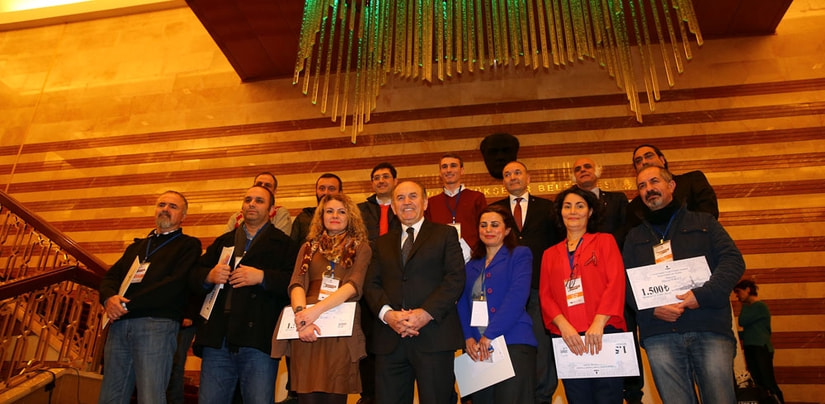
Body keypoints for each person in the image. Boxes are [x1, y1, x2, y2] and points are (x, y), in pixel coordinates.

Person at [623, 166, 745, 404]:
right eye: (642, 186)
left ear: (671, 186)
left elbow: (733, 261)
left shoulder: (705, 222)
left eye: (654, 181)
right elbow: (625, 282)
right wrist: (650, 308)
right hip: (659, 333)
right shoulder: (633, 237)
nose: (649, 189)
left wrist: (702, 295)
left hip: (709, 326)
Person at [191, 185, 300, 404]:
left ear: (271, 210)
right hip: (218, 337)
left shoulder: (285, 245)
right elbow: (193, 276)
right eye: (248, 199)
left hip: (258, 338)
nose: (252, 204)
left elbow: (295, 282)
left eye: (259, 201)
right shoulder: (224, 241)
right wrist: (209, 275)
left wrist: (263, 277)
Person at [364, 181, 466, 404]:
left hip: (434, 336)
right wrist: (388, 315)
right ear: (393, 206)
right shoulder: (380, 243)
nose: (406, 202)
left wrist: (425, 313)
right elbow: (371, 284)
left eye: (413, 196)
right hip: (390, 339)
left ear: (425, 202)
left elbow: (455, 279)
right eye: (400, 198)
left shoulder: (445, 234)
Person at [98, 191, 202, 404]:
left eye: (173, 206)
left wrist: (128, 306)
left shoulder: (188, 245)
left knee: (151, 396)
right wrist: (109, 299)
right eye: (161, 204)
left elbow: (174, 284)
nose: (165, 209)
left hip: (156, 325)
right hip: (120, 325)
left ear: (183, 215)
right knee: (110, 396)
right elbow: (111, 277)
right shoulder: (136, 247)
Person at [271, 194, 372, 404]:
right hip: (307, 329)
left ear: (350, 216)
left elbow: (353, 286)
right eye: (329, 211)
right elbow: (296, 283)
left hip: (339, 328)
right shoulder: (308, 247)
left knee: (334, 395)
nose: (335, 215)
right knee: (307, 398)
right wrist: (301, 317)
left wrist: (314, 312)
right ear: (321, 216)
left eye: (341, 211)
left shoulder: (361, 247)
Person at [540, 187, 627, 404]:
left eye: (580, 206)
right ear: (560, 212)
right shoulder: (549, 254)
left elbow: (616, 282)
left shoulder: (605, 241)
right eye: (567, 206)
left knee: (609, 398)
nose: (573, 211)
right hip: (568, 338)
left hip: (604, 331)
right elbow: (546, 295)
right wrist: (564, 327)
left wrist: (598, 323)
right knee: (577, 399)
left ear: (590, 212)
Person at [490, 160, 562, 404]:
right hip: (504, 294)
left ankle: (542, 397)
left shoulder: (548, 208)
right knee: (511, 348)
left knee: (543, 348)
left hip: (541, 289)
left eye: (517, 172)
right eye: (507, 174)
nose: (513, 177)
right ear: (503, 181)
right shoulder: (494, 211)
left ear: (528, 177)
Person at [457, 204, 537, 404]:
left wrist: (490, 335)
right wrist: (468, 338)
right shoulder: (470, 265)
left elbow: (517, 298)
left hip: (513, 342)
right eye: (483, 225)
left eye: (494, 225)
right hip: (478, 349)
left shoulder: (520, 255)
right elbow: (462, 304)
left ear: (507, 229)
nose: (488, 230)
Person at [356, 162, 399, 404]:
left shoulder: (403, 207)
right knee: (367, 340)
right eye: (376, 178)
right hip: (365, 282)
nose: (381, 181)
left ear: (394, 180)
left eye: (385, 177)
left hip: (395, 280)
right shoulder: (361, 210)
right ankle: (368, 395)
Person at [625, 144, 718, 231]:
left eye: (648, 156)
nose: (644, 162)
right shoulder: (635, 206)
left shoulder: (692, 180)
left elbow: (709, 213)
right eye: (638, 161)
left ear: (662, 160)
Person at [734, 279, 784, 403]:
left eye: (739, 292)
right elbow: (749, 329)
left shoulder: (760, 306)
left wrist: (744, 305)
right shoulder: (752, 308)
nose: (737, 296)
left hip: (761, 347)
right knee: (758, 382)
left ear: (748, 290)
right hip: (751, 347)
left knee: (768, 381)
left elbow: (742, 321)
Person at [425, 152, 488, 251]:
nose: (448, 170)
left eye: (453, 166)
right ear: (440, 172)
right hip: (441, 256)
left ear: (462, 170)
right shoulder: (431, 202)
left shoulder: (477, 198)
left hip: (473, 255)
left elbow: (484, 228)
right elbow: (427, 234)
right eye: (444, 167)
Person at [226, 171, 292, 235]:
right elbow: (226, 242)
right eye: (259, 184)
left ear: (274, 191)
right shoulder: (235, 217)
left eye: (267, 185)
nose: (262, 187)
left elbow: (280, 242)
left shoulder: (280, 213)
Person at [292, 173, 343, 243]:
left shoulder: (346, 218)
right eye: (322, 188)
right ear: (316, 191)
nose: (326, 192)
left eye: (331, 189)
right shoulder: (303, 218)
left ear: (340, 192)